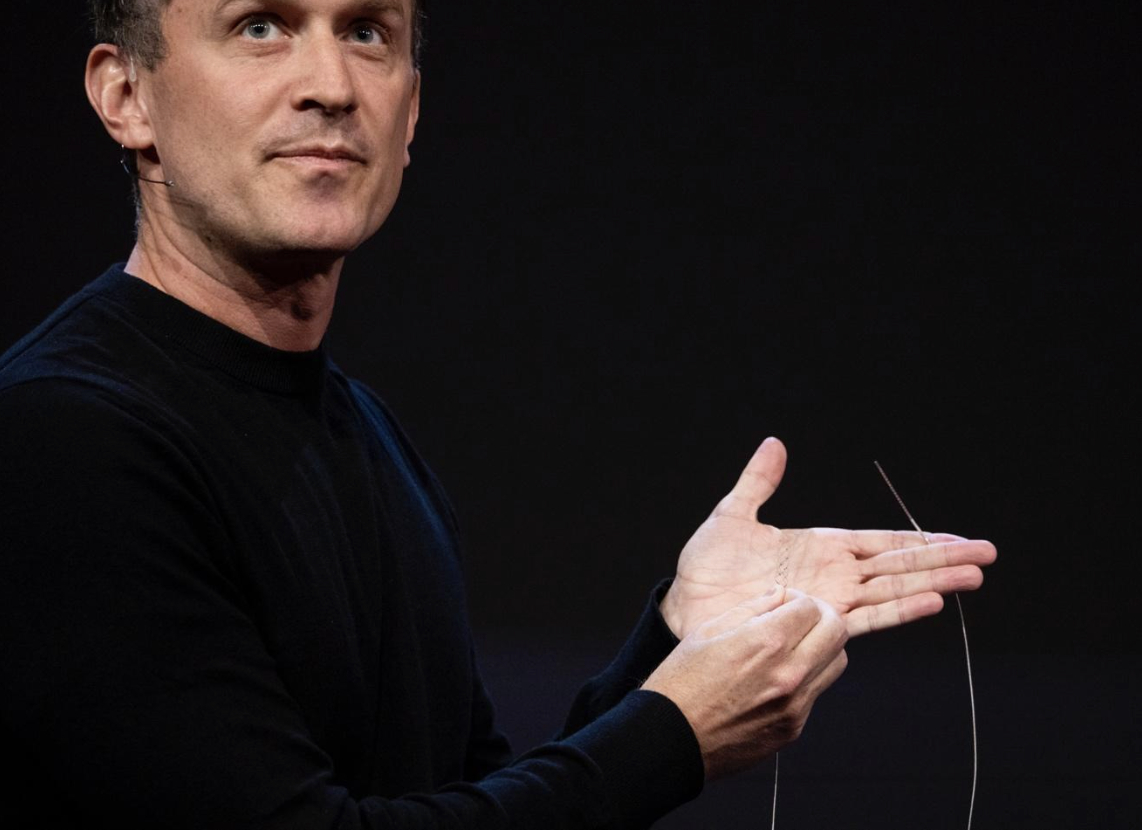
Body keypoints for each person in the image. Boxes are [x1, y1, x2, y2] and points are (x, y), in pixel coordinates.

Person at [0, 1, 997, 827]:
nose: (332, 85)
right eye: (261, 26)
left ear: (414, 111)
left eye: (368, 32)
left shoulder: (369, 437)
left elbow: (464, 802)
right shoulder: (68, 439)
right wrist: (672, 728)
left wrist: (675, 645)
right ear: (125, 96)